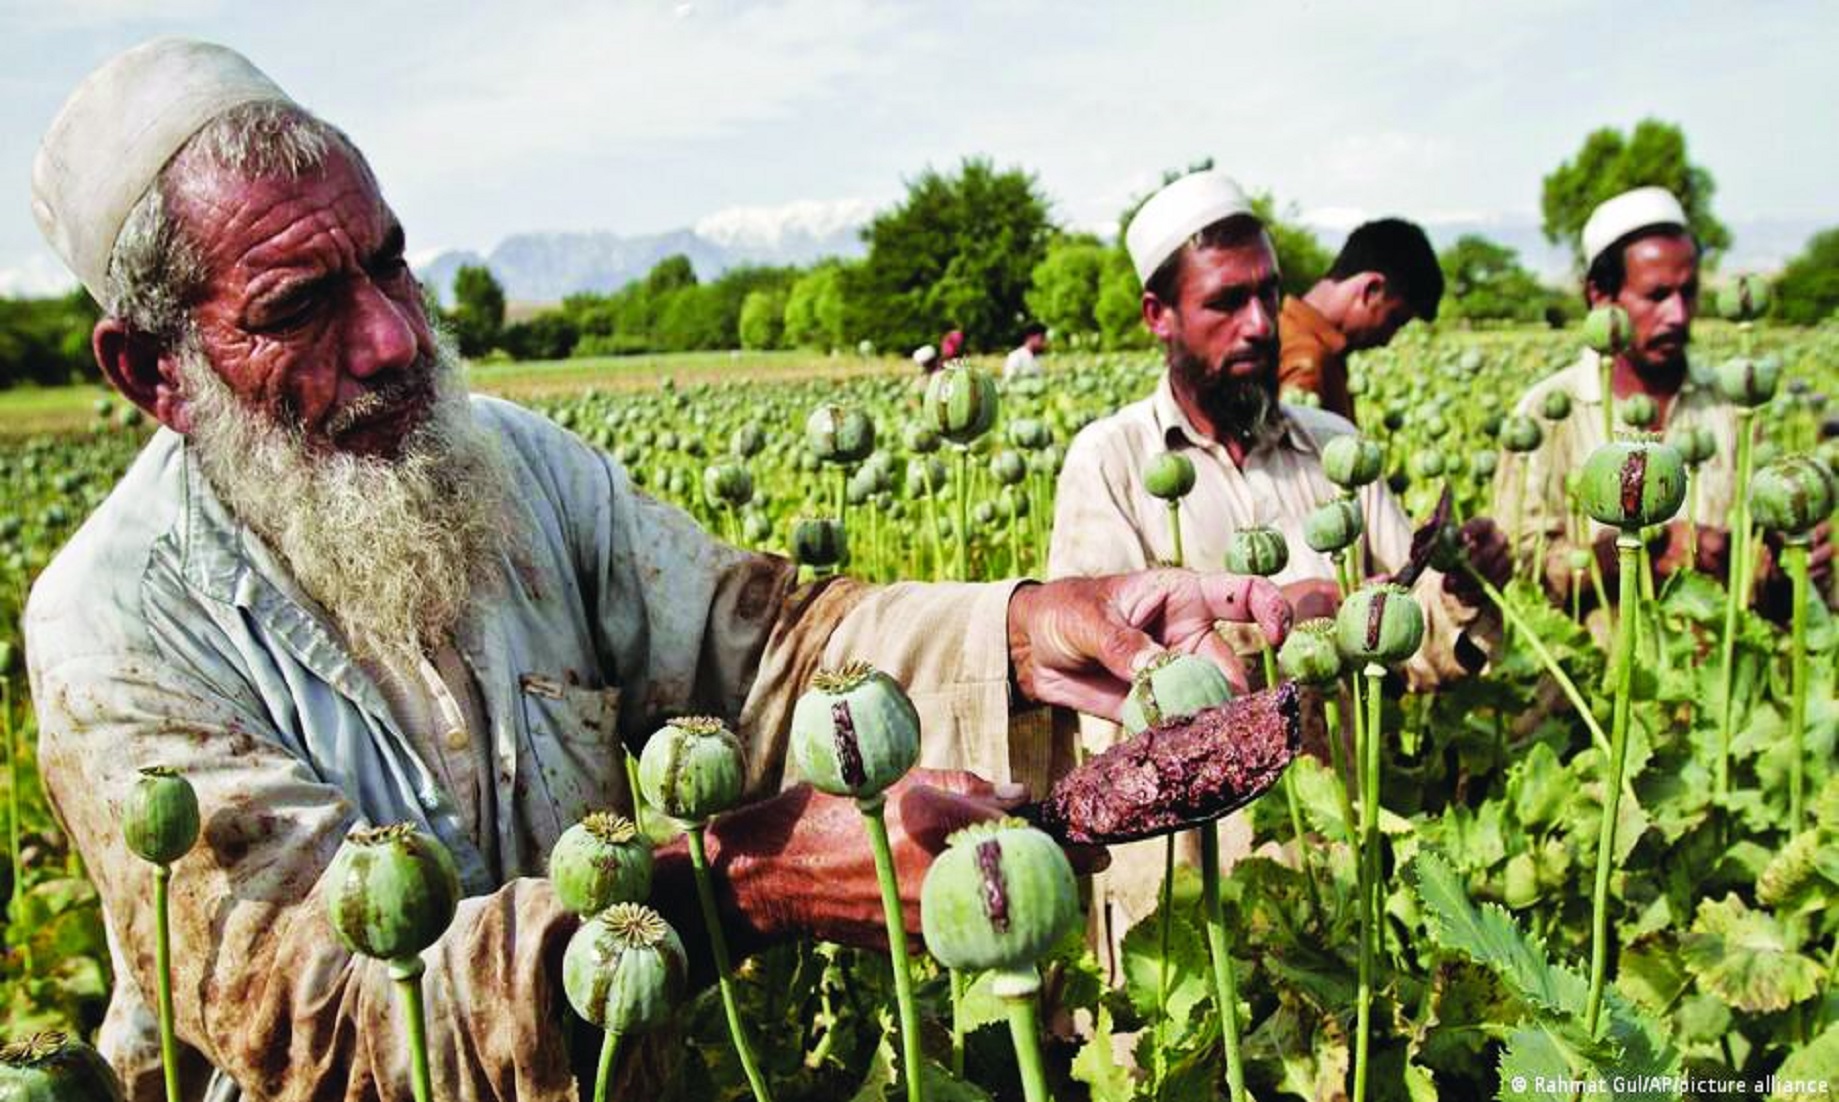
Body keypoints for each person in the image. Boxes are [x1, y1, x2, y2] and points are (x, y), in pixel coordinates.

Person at [24, 41, 1293, 1100]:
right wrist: (748, 884)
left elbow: (768, 647)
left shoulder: (510, 465)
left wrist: (1023, 628)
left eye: (391, 262)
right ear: (153, 372)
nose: (394, 336)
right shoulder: (115, 629)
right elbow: (330, 1020)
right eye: (300, 305)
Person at [1048, 169, 1509, 963]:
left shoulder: (1332, 445)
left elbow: (1416, 636)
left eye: (1269, 294)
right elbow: (1102, 687)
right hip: (1183, 890)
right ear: (1159, 317)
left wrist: (1457, 589)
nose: (1260, 324)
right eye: (1225, 302)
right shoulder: (1109, 462)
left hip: (1328, 862)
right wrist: (1283, 619)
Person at [1490, 186, 1831, 612]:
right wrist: (1643, 549)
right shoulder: (1546, 413)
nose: (1678, 314)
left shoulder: (1731, 407)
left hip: (1714, 666)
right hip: (1594, 671)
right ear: (1600, 294)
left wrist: (1792, 560)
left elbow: (1761, 553)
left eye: (1688, 293)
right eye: (1656, 295)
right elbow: (1518, 568)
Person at [1278, 218, 1444, 422]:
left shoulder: (1286, 331)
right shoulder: (1307, 363)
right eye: (1395, 321)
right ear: (1371, 289)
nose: (1387, 341)